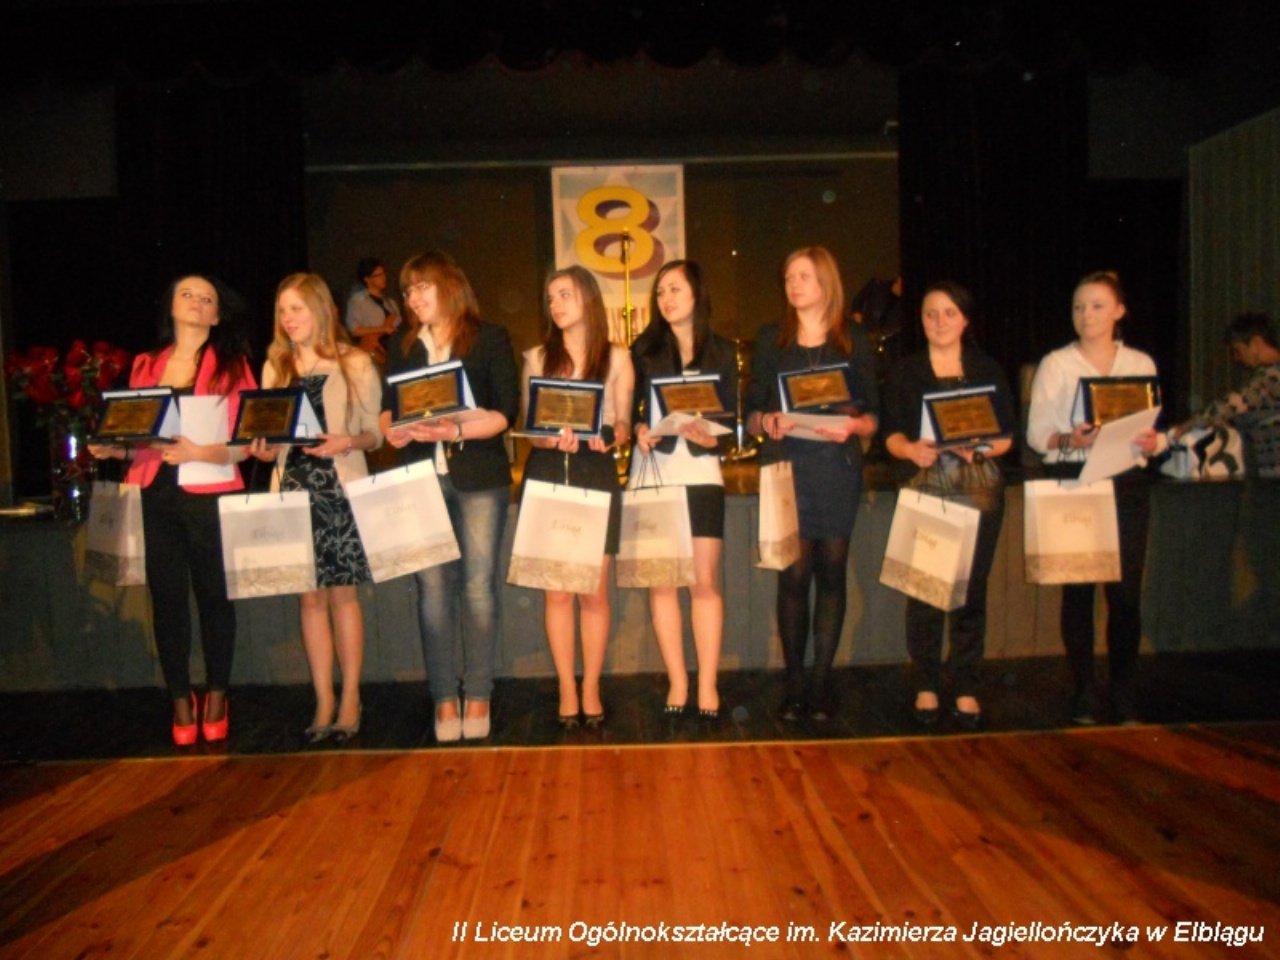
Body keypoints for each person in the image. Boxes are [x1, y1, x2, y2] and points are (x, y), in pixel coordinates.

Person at [89, 274, 256, 746]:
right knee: (166, 600)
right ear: (171, 305)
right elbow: (140, 438)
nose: (197, 302)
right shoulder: (146, 365)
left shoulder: (233, 366)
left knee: (214, 596)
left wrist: (200, 452)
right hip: (155, 492)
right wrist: (116, 450)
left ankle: (218, 694)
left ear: (217, 315)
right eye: (188, 294)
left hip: (210, 490)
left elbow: (246, 442)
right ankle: (181, 698)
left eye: (207, 299)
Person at [380, 252, 519, 743]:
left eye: (422, 286)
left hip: (479, 474)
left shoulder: (488, 337)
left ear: (450, 286)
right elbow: (388, 409)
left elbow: (506, 412)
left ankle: (478, 693)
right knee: (432, 591)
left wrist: (455, 427)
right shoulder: (403, 345)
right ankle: (443, 697)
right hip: (421, 476)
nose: (413, 297)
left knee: (478, 588)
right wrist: (393, 430)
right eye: (408, 290)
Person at [745, 246, 879, 721]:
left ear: (826, 281)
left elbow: (874, 414)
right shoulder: (772, 340)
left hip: (836, 468)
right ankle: (795, 684)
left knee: (831, 574)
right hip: (788, 468)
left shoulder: (853, 340)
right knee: (793, 576)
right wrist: (766, 422)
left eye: (803, 276)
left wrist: (855, 426)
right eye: (788, 278)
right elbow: (751, 410)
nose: (793, 285)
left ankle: (821, 685)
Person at [1026, 271, 1166, 725]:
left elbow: (1151, 429)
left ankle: (1123, 689)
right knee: (1079, 592)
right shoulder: (1056, 365)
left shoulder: (1140, 363)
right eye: (1079, 307)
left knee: (1125, 596)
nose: (1086, 314)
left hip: (1126, 483)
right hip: (1077, 481)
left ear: (1119, 311)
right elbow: (1037, 436)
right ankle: (1084, 688)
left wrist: (1154, 442)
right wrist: (1073, 439)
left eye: (1097, 305)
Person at [250, 273, 382, 743]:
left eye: (297, 309)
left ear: (321, 310)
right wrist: (264, 449)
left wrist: (347, 441)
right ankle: (323, 698)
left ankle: (351, 697)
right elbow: (267, 436)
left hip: (338, 488)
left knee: (343, 595)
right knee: (309, 598)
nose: (288, 319)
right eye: (283, 310)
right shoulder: (275, 366)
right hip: (291, 489)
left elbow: (376, 434)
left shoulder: (355, 362)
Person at [882, 282, 1015, 730]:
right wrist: (910, 450)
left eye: (948, 313)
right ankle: (926, 683)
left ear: (965, 319)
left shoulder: (987, 369)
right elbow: (890, 434)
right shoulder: (906, 371)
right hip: (926, 486)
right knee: (925, 591)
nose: (939, 322)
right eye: (930, 314)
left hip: (978, 490)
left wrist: (980, 447)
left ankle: (965, 685)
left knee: (970, 592)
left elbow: (1007, 436)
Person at [521, 265, 634, 728]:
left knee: (593, 592)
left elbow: (624, 423)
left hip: (594, 470)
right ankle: (567, 686)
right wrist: (548, 438)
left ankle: (591, 686)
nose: (556, 305)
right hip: (549, 471)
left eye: (564, 294)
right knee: (557, 593)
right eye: (551, 298)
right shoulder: (536, 357)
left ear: (587, 297)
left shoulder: (618, 357)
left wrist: (610, 436)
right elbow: (530, 428)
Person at [630, 260, 737, 722]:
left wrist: (715, 439)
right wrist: (638, 428)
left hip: (702, 474)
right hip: (654, 470)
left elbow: (730, 420)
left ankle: (708, 681)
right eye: (660, 292)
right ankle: (677, 679)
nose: (666, 299)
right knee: (663, 582)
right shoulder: (644, 349)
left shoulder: (722, 351)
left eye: (675, 289)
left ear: (697, 292)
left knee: (704, 582)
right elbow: (631, 411)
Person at [1174, 312, 1280, 478]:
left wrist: (1187, 425)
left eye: (1238, 350)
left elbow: (1232, 405)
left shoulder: (1271, 378)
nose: (1236, 358)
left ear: (1256, 343)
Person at [344, 258, 401, 363]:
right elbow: (354, 330)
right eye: (378, 275)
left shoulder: (390, 302)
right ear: (367, 279)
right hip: (376, 354)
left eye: (384, 273)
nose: (384, 277)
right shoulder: (357, 301)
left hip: (395, 351)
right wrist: (382, 329)